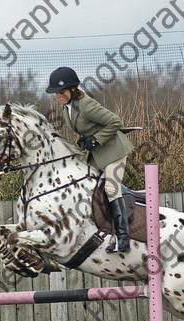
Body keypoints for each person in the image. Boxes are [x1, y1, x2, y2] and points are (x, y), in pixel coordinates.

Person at [45, 66, 134, 253]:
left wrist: (96, 139)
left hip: (114, 150)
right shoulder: (67, 108)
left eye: (61, 92)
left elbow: (115, 122)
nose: (57, 96)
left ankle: (123, 239)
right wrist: (84, 140)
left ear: (72, 90)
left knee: (111, 189)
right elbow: (86, 129)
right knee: (86, 187)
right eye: (55, 93)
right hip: (98, 153)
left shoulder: (86, 104)